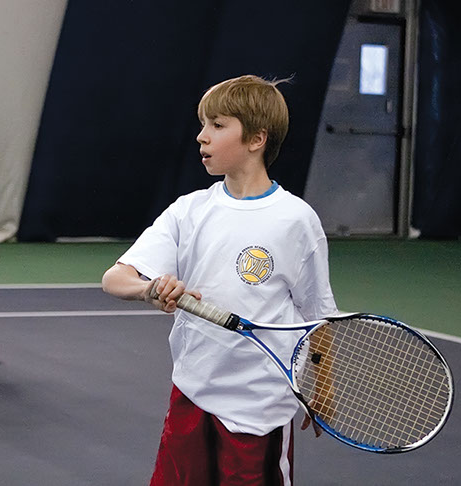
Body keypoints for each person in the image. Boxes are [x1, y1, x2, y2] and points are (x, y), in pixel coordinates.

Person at [102, 75, 338, 485]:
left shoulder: (296, 220)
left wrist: (325, 387)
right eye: (203, 124)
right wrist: (148, 289)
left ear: (256, 139)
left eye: (217, 125)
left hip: (259, 407)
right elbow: (115, 278)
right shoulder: (189, 210)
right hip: (191, 394)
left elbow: (317, 313)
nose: (202, 136)